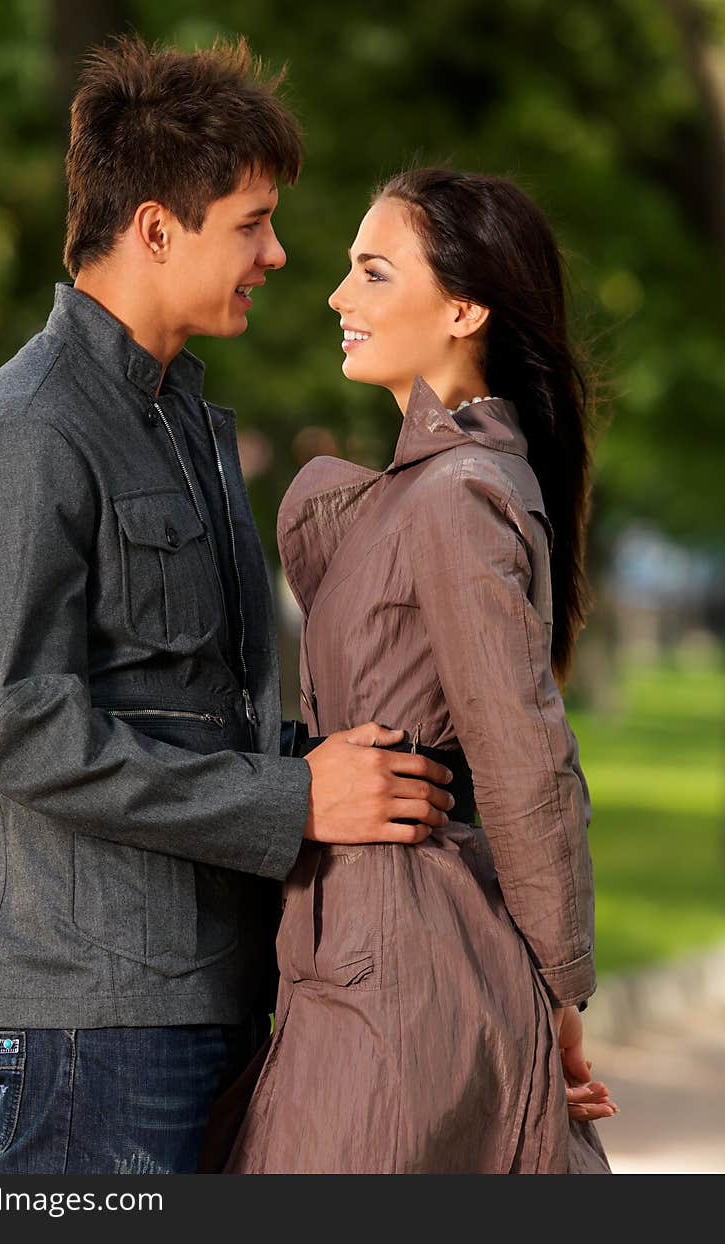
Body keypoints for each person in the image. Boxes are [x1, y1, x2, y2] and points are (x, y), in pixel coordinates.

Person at [0, 40, 454, 1176]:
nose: (278, 252)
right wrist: (292, 795)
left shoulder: (186, 424)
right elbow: (27, 732)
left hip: (206, 981)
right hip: (94, 1012)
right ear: (156, 227)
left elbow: (187, 705)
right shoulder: (28, 434)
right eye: (251, 223)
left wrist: (335, 766)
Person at [223, 168, 615, 1174]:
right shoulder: (410, 492)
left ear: (462, 307)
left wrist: (558, 990)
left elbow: (526, 753)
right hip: (347, 947)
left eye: (371, 271)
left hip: (400, 963)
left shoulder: (460, 494)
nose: (336, 297)